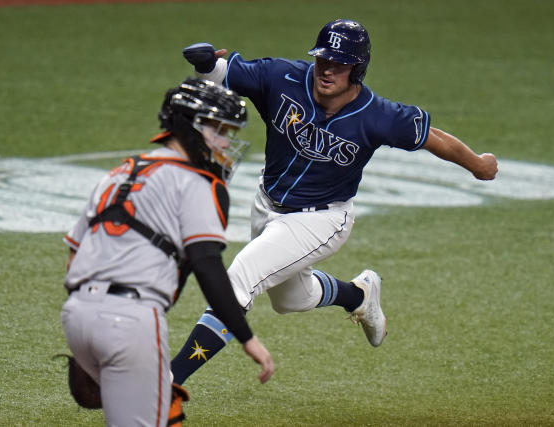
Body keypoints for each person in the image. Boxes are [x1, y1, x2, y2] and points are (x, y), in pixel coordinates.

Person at [170, 19, 498, 386]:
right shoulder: (282, 78)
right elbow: (224, 72)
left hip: (322, 219)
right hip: (267, 205)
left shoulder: (379, 115)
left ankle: (169, 381)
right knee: (291, 300)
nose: (327, 69)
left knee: (240, 278)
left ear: (357, 69)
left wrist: (478, 164)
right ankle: (358, 293)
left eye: (339, 63)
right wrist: (204, 64)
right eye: (323, 59)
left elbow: (432, 138)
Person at [60, 77, 274, 427]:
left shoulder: (118, 174)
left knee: (164, 411)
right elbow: (207, 264)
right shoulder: (193, 182)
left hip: (77, 316)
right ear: (188, 127)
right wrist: (247, 338)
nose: (225, 142)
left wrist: (92, 328)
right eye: (217, 129)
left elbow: (73, 258)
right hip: (130, 322)